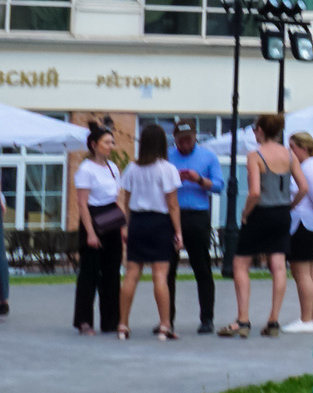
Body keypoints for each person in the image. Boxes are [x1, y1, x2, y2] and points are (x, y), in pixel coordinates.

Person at [224, 115, 297, 338]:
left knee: (240, 264)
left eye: (255, 129)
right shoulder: (290, 154)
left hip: (261, 212)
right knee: (278, 264)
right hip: (282, 213)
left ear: (262, 131)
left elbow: (255, 192)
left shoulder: (255, 156)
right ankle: (273, 320)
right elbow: (303, 186)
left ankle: (243, 319)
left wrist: (245, 213)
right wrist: (290, 205)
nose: (254, 133)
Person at [117, 124, 186, 340]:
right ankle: (165, 325)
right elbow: (172, 205)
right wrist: (178, 232)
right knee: (160, 276)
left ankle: (123, 324)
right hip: (159, 223)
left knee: (131, 274)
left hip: (137, 222)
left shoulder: (131, 168)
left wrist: (126, 226)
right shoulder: (167, 169)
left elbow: (126, 201)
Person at [169, 120, 223, 336]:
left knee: (202, 268)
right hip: (172, 215)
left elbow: (219, 186)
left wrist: (199, 179)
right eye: (180, 141)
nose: (184, 144)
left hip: (198, 216)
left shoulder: (208, 157)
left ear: (195, 138)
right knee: (168, 270)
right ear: (175, 140)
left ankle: (207, 318)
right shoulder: (167, 156)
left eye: (188, 140)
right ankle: (167, 319)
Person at [71, 124, 125, 337]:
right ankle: (83, 320)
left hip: (112, 218)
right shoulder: (86, 169)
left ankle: (111, 320)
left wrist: (122, 226)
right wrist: (91, 233)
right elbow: (82, 203)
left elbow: (117, 198)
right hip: (93, 218)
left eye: (112, 142)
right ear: (94, 145)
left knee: (112, 272)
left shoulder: (113, 168)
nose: (111, 146)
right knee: (90, 273)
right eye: (106, 142)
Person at [282, 131, 313, 333]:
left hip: (303, 223)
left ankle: (305, 319)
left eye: (292, 147)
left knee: (300, 271)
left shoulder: (308, 169)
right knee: (310, 271)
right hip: (312, 224)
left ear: (303, 148)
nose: (290, 151)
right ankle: (311, 318)